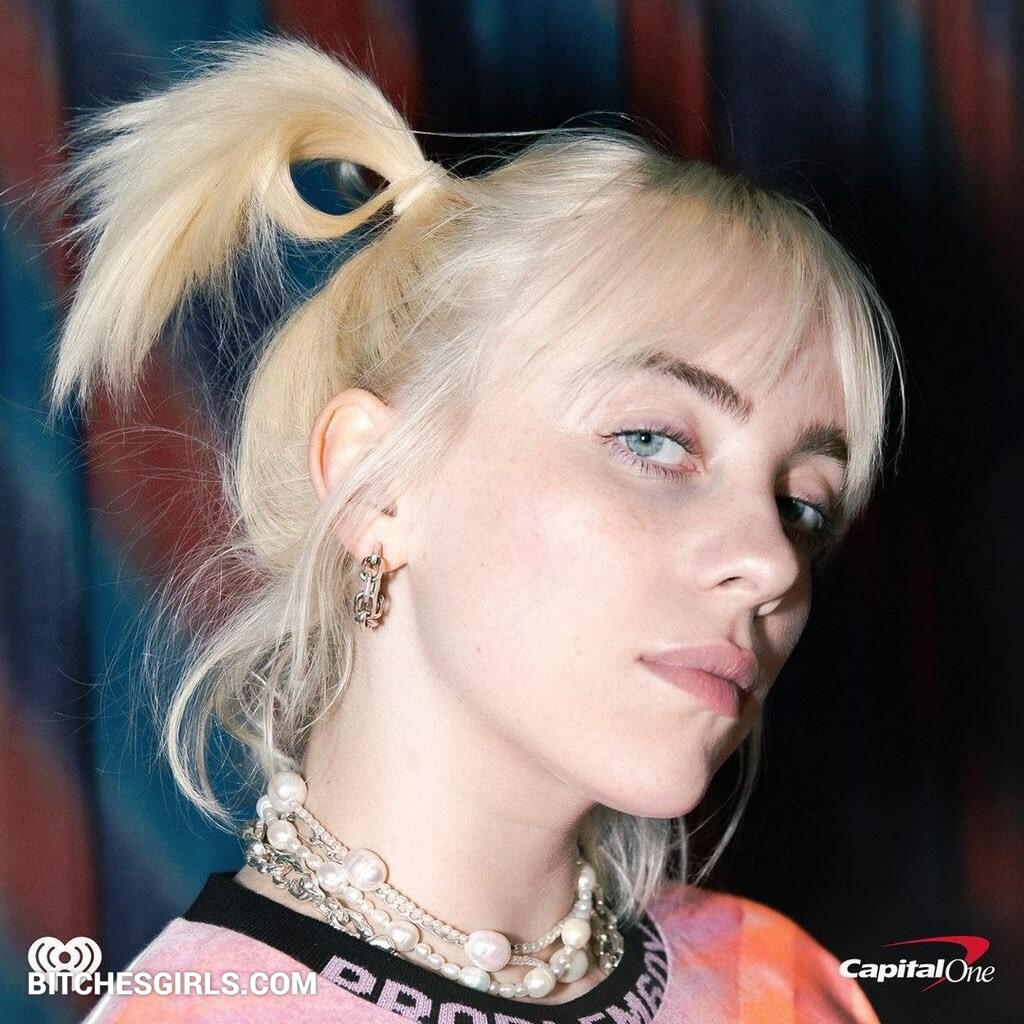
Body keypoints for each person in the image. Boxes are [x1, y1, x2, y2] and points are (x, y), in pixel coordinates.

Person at [50, 36, 903, 1023]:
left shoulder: (784, 984)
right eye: (654, 441)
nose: (770, 563)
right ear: (376, 482)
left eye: (802, 504)